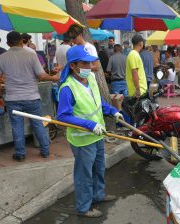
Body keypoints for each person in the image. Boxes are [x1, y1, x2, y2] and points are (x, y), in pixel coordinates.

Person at [57, 45, 123, 217]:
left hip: (97, 136)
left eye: (90, 63)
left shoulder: (91, 79)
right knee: (84, 175)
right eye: (85, 64)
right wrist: (89, 125)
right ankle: (83, 207)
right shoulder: (68, 88)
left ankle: (98, 195)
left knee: (99, 168)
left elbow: (97, 102)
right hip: (82, 140)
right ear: (73, 65)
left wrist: (112, 111)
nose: (90, 67)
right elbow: (62, 116)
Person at [0, 31, 59, 162]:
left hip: (13, 99)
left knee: (17, 127)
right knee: (38, 124)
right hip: (32, 97)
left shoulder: (1, 58)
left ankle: (20, 153)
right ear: (22, 41)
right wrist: (54, 78)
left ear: (7, 43)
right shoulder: (31, 55)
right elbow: (41, 75)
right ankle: (45, 151)